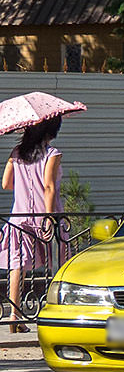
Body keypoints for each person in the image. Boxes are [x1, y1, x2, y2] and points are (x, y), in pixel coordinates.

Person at [1, 115, 63, 331]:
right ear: (52, 131)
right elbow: (49, 187)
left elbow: (6, 184)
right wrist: (48, 217)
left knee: (17, 265)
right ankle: (58, 312)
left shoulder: (16, 153)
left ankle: (14, 315)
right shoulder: (52, 154)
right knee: (57, 263)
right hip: (43, 215)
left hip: (19, 215)